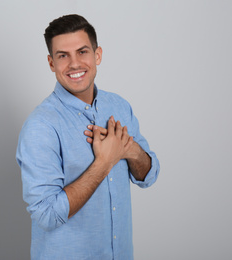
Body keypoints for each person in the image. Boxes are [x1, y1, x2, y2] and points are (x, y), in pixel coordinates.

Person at [16, 14, 160, 260]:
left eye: (82, 52)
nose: (74, 64)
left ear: (97, 55)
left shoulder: (119, 107)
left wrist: (129, 150)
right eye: (63, 56)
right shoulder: (41, 126)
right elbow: (47, 215)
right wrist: (104, 163)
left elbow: (149, 175)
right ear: (51, 63)